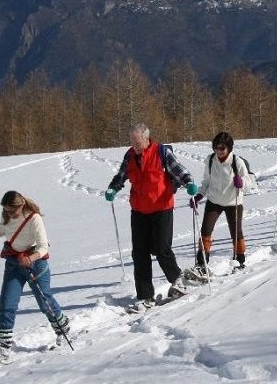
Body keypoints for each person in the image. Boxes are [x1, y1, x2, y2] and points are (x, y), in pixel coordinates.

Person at [105, 123, 196, 313]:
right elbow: (122, 174)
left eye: (137, 143)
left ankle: (178, 280)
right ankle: (146, 297)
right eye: (132, 143)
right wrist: (113, 187)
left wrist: (189, 183)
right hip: (139, 210)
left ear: (147, 139)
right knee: (139, 254)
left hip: (161, 207)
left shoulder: (161, 152)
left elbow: (178, 169)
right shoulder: (130, 155)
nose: (135, 146)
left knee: (162, 249)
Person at [0, 191, 69, 365]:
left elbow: (43, 247)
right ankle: (2, 349)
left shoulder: (34, 219)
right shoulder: (6, 217)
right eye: (6, 210)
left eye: (12, 211)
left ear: (21, 205)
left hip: (35, 264)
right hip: (14, 263)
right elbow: (1, 231)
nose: (8, 213)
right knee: (7, 305)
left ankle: (63, 329)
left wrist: (30, 258)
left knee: (45, 302)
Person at [187, 132, 250, 279]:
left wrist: (241, 183)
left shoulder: (237, 162)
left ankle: (239, 261)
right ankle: (202, 264)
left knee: (236, 232)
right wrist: (198, 196)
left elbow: (249, 184)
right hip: (214, 200)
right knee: (205, 231)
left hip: (233, 202)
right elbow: (206, 182)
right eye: (216, 147)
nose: (219, 151)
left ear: (229, 148)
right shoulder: (210, 160)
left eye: (222, 148)